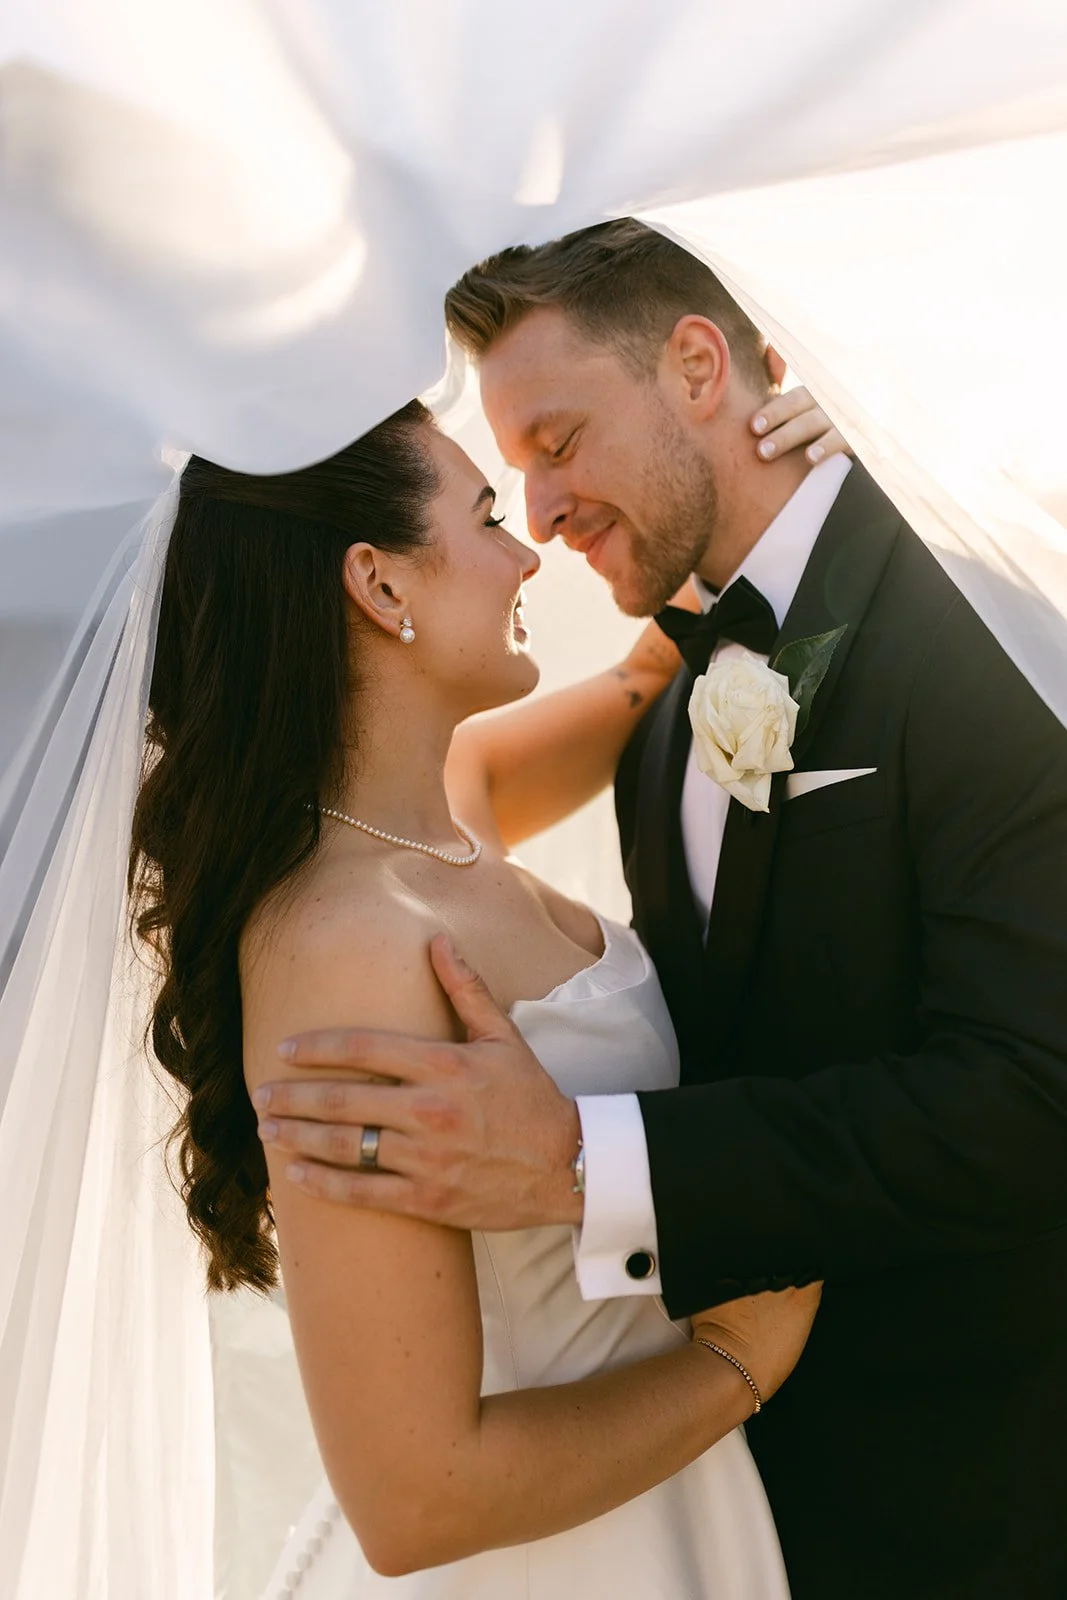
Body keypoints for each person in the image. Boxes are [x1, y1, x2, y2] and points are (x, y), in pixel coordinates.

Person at [256, 221, 1067, 1599]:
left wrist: (589, 1163)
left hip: (978, 1511)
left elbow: (1032, 1092)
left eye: (557, 442)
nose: (543, 509)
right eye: (506, 482)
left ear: (698, 365)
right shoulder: (660, 724)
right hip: (720, 1516)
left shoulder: (976, 618)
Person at [128, 391, 838, 1596]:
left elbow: (634, 686)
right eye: (486, 515)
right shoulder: (341, 942)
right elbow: (414, 1495)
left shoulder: (441, 822)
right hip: (563, 1559)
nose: (526, 554)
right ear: (379, 585)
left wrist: (776, 486)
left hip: (675, 1510)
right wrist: (737, 1360)